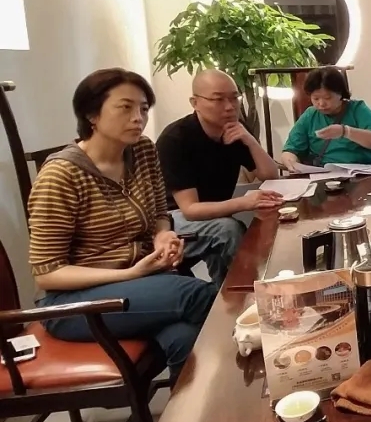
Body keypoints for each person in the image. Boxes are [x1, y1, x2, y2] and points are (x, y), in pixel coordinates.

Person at [29, 69, 216, 380]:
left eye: (143, 108)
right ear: (91, 114)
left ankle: (198, 411)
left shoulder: (142, 151)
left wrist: (163, 237)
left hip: (138, 284)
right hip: (73, 304)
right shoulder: (61, 176)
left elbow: (160, 213)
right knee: (198, 295)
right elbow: (47, 273)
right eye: (125, 107)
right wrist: (130, 274)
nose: (137, 118)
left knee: (186, 338)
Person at [156, 69, 282, 287]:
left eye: (234, 98)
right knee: (227, 230)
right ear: (195, 102)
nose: (229, 106)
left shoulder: (235, 131)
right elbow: (190, 210)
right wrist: (244, 202)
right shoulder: (175, 139)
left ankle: (225, 295)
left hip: (212, 213)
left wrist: (250, 140)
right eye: (218, 99)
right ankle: (249, 293)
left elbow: (270, 174)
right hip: (170, 220)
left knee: (264, 217)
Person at [281, 67, 371, 170]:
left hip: (364, 173)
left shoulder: (357, 109)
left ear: (340, 94)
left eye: (327, 98)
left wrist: (345, 131)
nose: (321, 103)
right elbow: (290, 150)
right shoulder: (310, 115)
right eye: (316, 98)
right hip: (324, 174)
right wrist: (291, 162)